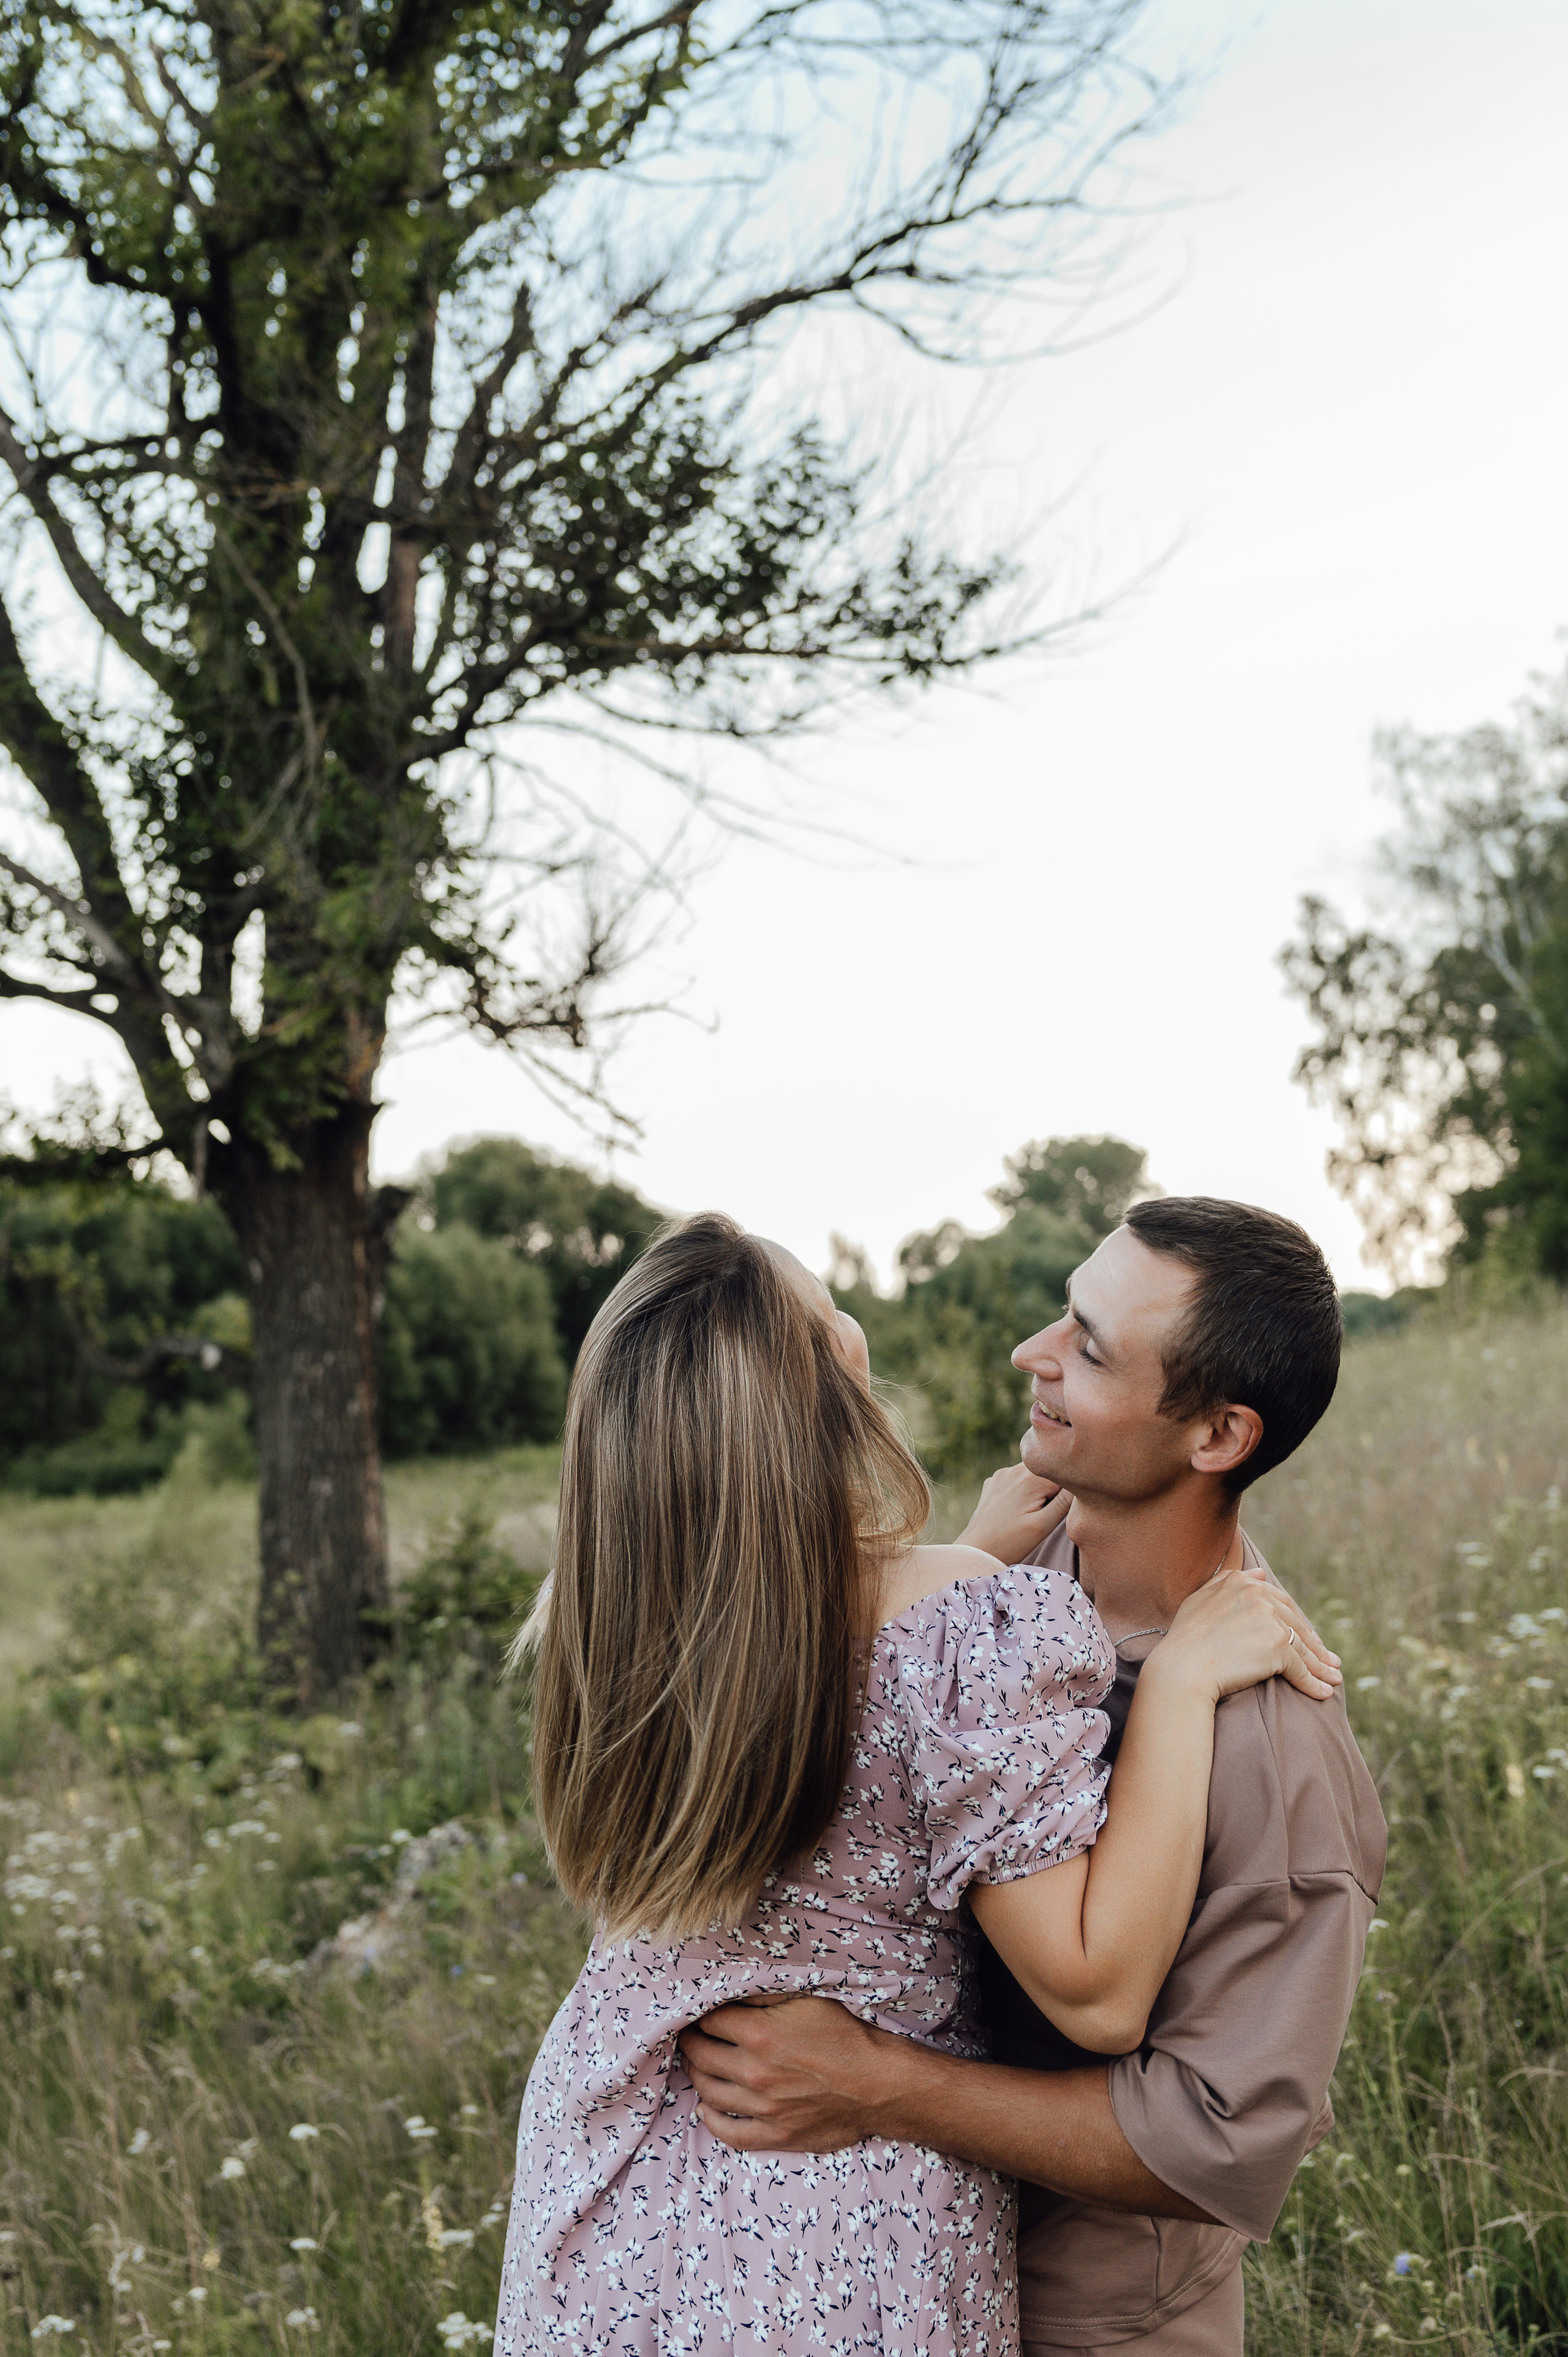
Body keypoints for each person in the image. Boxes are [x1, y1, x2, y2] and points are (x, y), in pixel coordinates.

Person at [494, 1209, 1340, 2355]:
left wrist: (968, 1569)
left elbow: (812, 1681)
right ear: (816, 1395)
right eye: (826, 1314)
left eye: (1087, 1343)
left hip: (613, 2205)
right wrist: (1176, 1681)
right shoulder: (955, 1614)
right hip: (834, 2238)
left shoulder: (618, 1615)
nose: (1031, 1353)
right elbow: (1095, 1990)